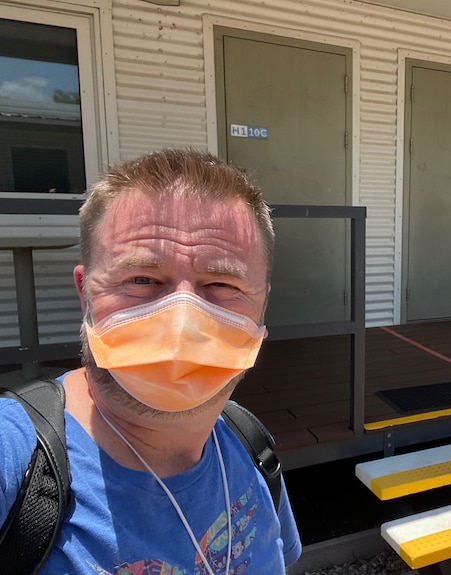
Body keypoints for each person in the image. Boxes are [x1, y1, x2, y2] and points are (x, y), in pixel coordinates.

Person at [0, 149, 302, 573]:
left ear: (262, 305)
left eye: (220, 283)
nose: (182, 320)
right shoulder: (14, 459)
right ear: (85, 292)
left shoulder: (250, 444)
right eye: (141, 279)